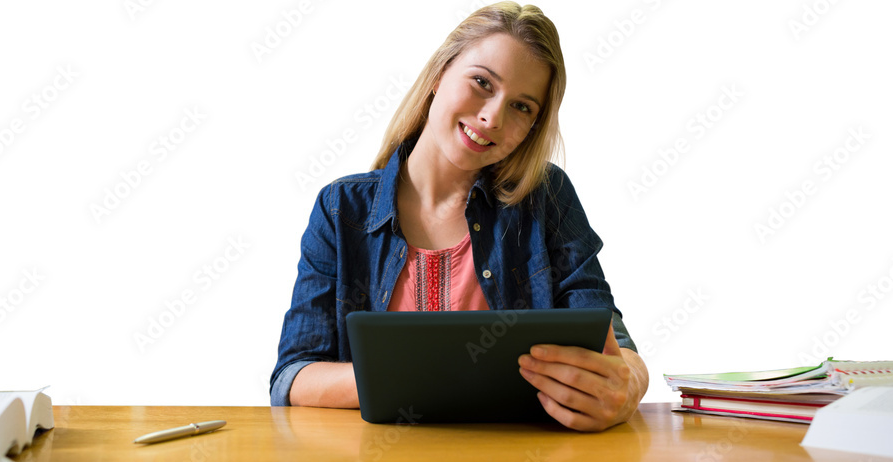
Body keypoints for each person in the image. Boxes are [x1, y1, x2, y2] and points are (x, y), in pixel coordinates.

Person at [271, 2, 648, 431]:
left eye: (522, 107)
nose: (492, 117)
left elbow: (614, 344)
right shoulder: (341, 209)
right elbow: (292, 378)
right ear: (438, 75)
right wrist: (425, 376)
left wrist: (631, 383)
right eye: (482, 82)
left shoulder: (545, 196)